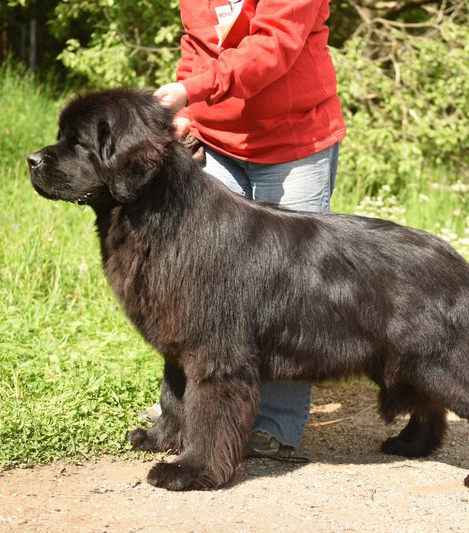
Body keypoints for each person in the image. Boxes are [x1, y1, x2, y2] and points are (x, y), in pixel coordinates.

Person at [149, 0, 346, 456]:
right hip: (217, 143)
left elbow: (274, 46)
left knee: (290, 287)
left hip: (295, 142)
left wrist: (189, 90)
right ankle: (185, 416)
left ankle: (275, 424)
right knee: (199, 287)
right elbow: (196, 45)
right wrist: (185, 116)